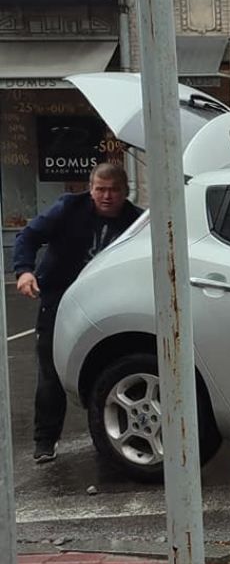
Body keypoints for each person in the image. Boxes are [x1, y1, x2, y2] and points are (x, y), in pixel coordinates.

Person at [12, 162, 144, 463]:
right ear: (91, 188)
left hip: (110, 303)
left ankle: (116, 434)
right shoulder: (69, 209)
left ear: (125, 191)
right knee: (50, 370)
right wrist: (24, 272)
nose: (106, 196)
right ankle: (45, 441)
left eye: (113, 190)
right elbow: (28, 236)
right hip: (60, 297)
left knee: (112, 369)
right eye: (100, 189)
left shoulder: (136, 221)